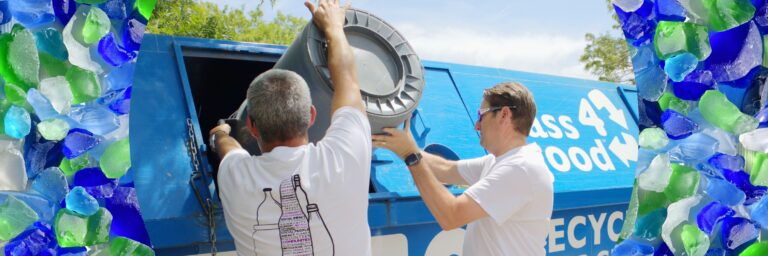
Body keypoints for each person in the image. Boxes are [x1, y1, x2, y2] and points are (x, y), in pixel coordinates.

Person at [208, 0, 372, 255]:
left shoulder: (235, 177)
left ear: (251, 125)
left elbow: (229, 149)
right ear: (311, 115)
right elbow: (348, 81)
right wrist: (334, 28)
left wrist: (219, 133)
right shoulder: (344, 157)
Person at [372, 82, 555, 255]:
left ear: (504, 115)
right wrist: (397, 143)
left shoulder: (520, 169)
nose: (476, 126)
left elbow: (452, 215)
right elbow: (445, 168)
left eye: (481, 115)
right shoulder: (498, 162)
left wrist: (411, 156)